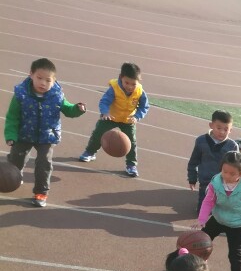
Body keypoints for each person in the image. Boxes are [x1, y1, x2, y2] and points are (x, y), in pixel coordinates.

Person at [5, 57, 86, 207]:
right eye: (39, 78)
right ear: (31, 75)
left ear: (54, 81)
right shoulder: (21, 94)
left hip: (47, 135)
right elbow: (12, 117)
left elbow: (68, 109)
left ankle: (41, 192)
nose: (43, 83)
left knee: (44, 163)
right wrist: (10, 135)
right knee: (16, 158)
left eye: (48, 80)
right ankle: (15, 175)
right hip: (24, 133)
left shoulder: (57, 96)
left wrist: (77, 109)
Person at [78, 61, 148, 177]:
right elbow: (104, 101)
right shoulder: (114, 88)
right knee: (98, 133)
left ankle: (131, 165)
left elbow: (144, 107)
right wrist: (105, 112)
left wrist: (137, 117)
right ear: (121, 78)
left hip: (128, 120)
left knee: (131, 142)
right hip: (111, 117)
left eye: (133, 84)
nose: (130, 87)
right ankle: (90, 152)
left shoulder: (140, 92)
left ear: (138, 82)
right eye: (127, 83)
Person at [187, 110, 238, 212]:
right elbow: (193, 161)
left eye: (226, 129)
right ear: (211, 125)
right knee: (202, 211)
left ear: (230, 130)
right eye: (218, 128)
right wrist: (192, 178)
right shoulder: (201, 141)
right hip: (206, 181)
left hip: (224, 183)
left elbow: (236, 167)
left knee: (219, 211)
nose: (222, 132)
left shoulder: (232, 146)